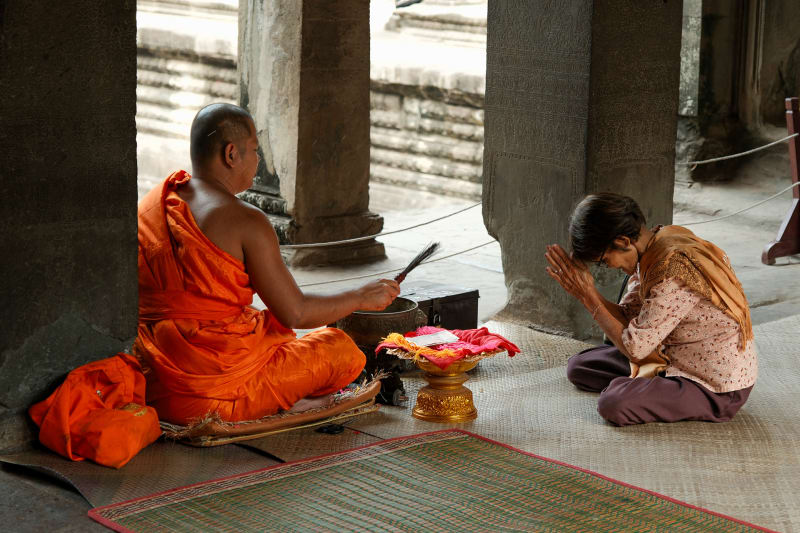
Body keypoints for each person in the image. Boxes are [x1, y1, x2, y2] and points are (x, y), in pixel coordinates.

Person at [134, 103, 400, 425]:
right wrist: (360, 296)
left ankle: (285, 396)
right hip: (210, 398)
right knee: (340, 351)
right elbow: (296, 312)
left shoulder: (156, 203)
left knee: (267, 332)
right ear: (232, 154)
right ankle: (291, 403)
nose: (258, 161)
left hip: (152, 379)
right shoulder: (246, 220)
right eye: (255, 151)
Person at [545, 193, 757, 426]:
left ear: (624, 241)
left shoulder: (673, 269)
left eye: (605, 260)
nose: (609, 267)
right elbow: (628, 316)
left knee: (613, 403)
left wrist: (588, 297)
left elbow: (635, 348)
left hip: (712, 384)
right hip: (667, 356)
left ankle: (647, 387)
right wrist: (587, 293)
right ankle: (646, 384)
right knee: (580, 367)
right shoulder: (652, 249)